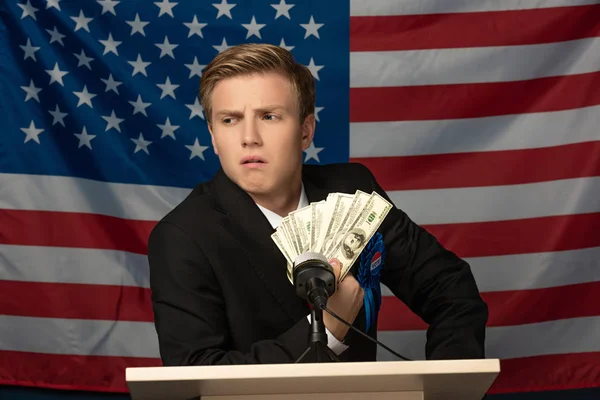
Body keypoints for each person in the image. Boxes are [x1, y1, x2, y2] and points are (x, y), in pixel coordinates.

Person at [147, 43, 488, 366]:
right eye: (230, 119)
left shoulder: (355, 192)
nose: (249, 137)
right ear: (213, 137)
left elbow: (451, 287)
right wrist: (328, 330)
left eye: (269, 116)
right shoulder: (182, 237)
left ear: (306, 130)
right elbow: (196, 374)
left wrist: (448, 387)